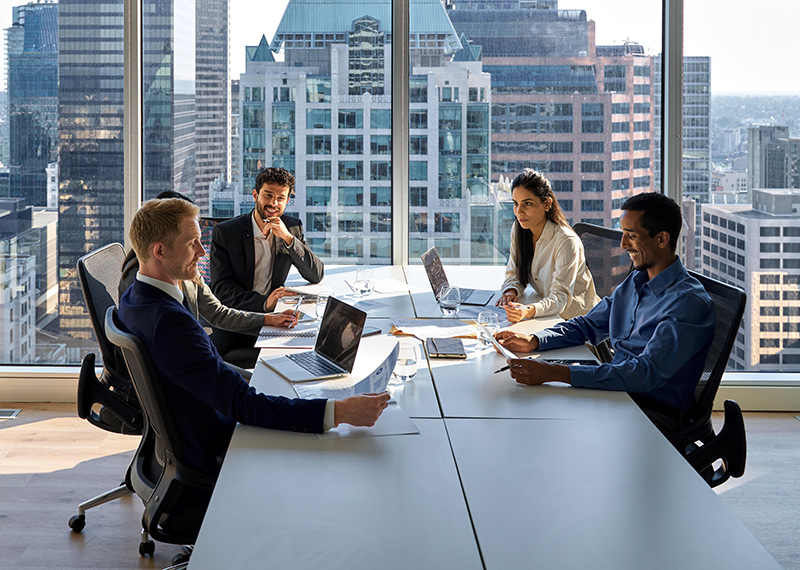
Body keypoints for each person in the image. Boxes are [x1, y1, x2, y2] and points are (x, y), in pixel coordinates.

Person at [117, 197, 389, 485]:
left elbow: (208, 373)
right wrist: (340, 412)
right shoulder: (170, 323)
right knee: (346, 461)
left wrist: (254, 377)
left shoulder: (134, 297)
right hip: (216, 444)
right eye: (192, 243)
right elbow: (241, 405)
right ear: (159, 251)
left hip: (196, 421)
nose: (202, 251)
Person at [495, 192, 715, 435]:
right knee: (528, 414)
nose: (622, 244)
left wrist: (556, 372)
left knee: (551, 427)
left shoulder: (687, 303)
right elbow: (588, 325)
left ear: (662, 239)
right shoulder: (636, 281)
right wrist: (535, 340)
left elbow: (643, 374)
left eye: (631, 236)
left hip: (651, 411)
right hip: (620, 392)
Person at [119, 191, 293, 377]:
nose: (202, 252)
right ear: (160, 246)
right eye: (191, 242)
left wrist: (268, 319)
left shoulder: (185, 272)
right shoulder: (150, 300)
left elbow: (217, 312)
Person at [210, 166, 324, 359]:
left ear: (287, 201)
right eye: (268, 195)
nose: (273, 203)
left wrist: (288, 239)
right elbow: (221, 290)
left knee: (303, 354)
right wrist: (265, 303)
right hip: (236, 317)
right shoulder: (226, 232)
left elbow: (315, 274)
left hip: (274, 318)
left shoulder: (292, 228)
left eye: (280, 198)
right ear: (255, 195)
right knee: (208, 358)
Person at [496, 169, 599, 322]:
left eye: (527, 204)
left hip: (577, 323)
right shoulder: (520, 229)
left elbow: (560, 298)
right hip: (548, 317)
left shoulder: (566, 241)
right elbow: (515, 273)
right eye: (515, 204)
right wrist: (511, 292)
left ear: (547, 204)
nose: (519, 211)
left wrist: (528, 311)